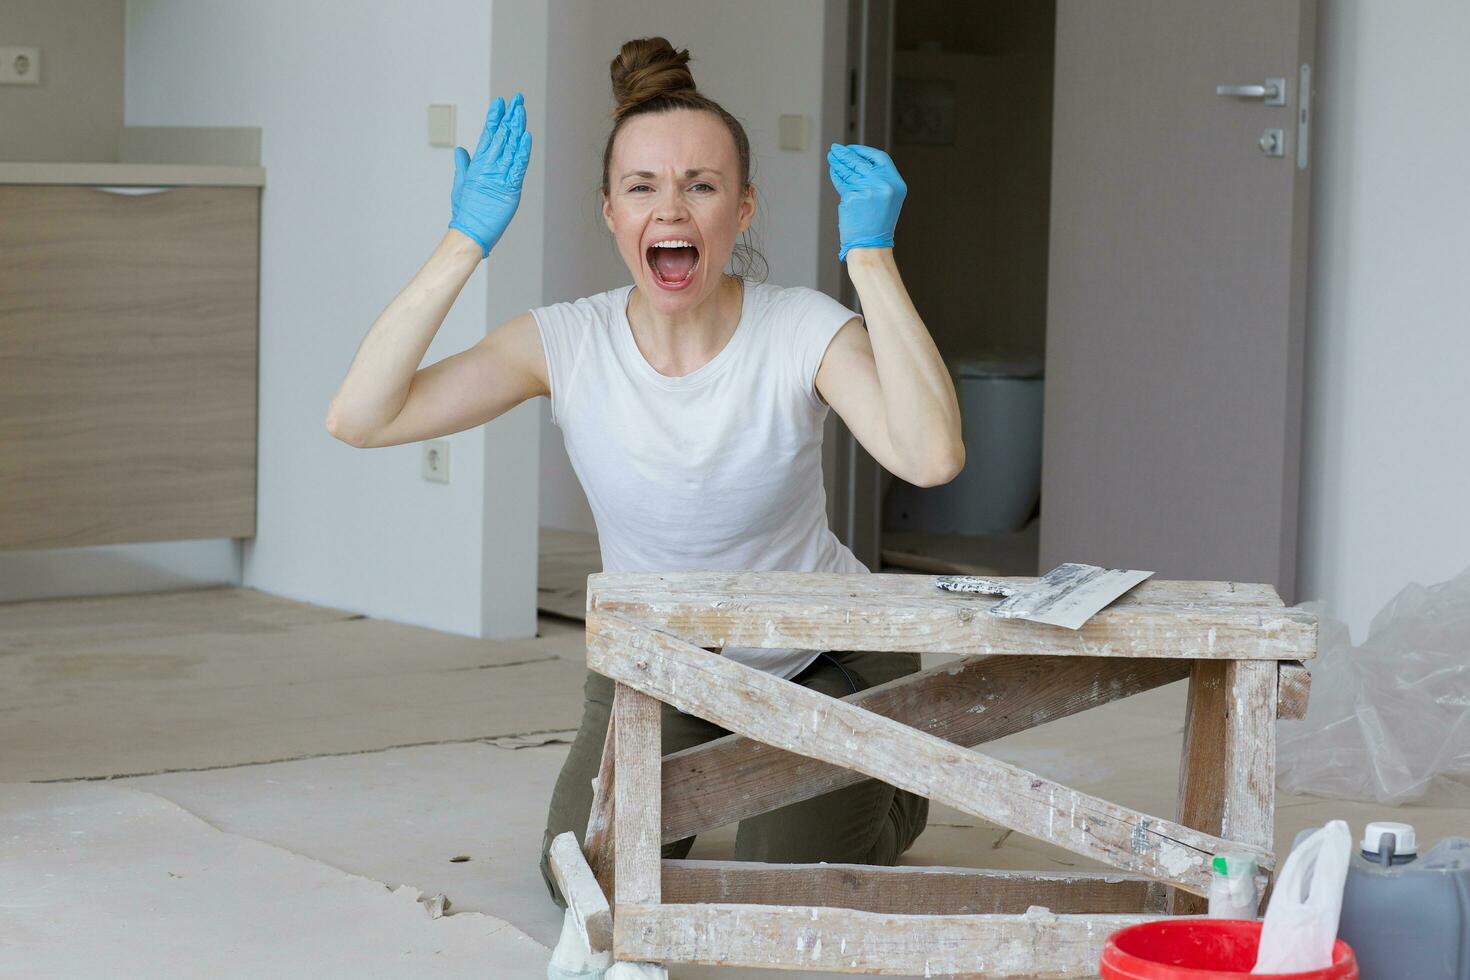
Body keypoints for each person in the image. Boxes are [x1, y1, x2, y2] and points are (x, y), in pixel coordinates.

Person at [326, 35, 963, 977]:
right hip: (661, 667)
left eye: (702, 186)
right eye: (642, 187)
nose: (672, 206)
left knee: (775, 883)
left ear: (741, 207)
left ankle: (892, 773)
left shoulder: (799, 328)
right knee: (582, 875)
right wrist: (465, 240)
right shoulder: (566, 342)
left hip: (822, 655)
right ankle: (768, 770)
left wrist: (870, 258)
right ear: (611, 214)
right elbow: (361, 416)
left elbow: (932, 454)